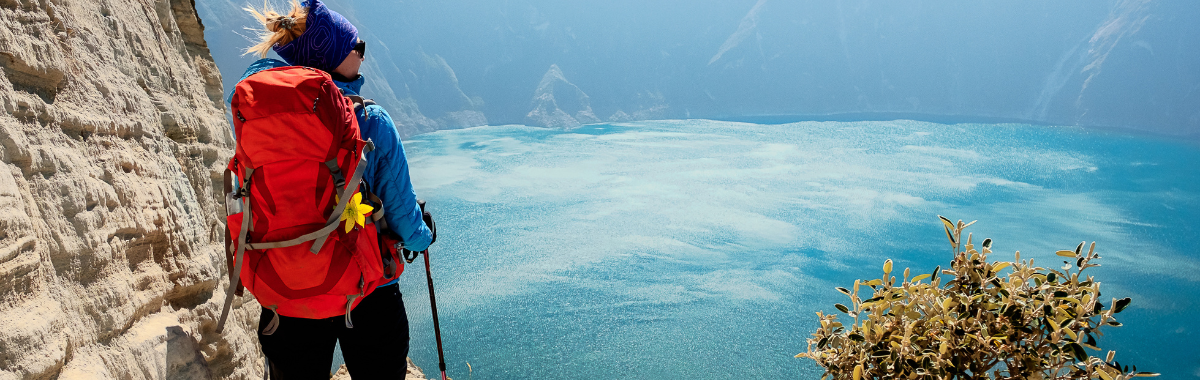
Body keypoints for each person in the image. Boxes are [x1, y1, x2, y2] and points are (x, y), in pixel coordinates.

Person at [235, 0, 434, 378]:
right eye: (356, 47)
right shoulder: (371, 120)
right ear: (330, 57)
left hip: (287, 288)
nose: (362, 54)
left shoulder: (261, 117)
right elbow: (405, 221)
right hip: (365, 290)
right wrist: (423, 236)